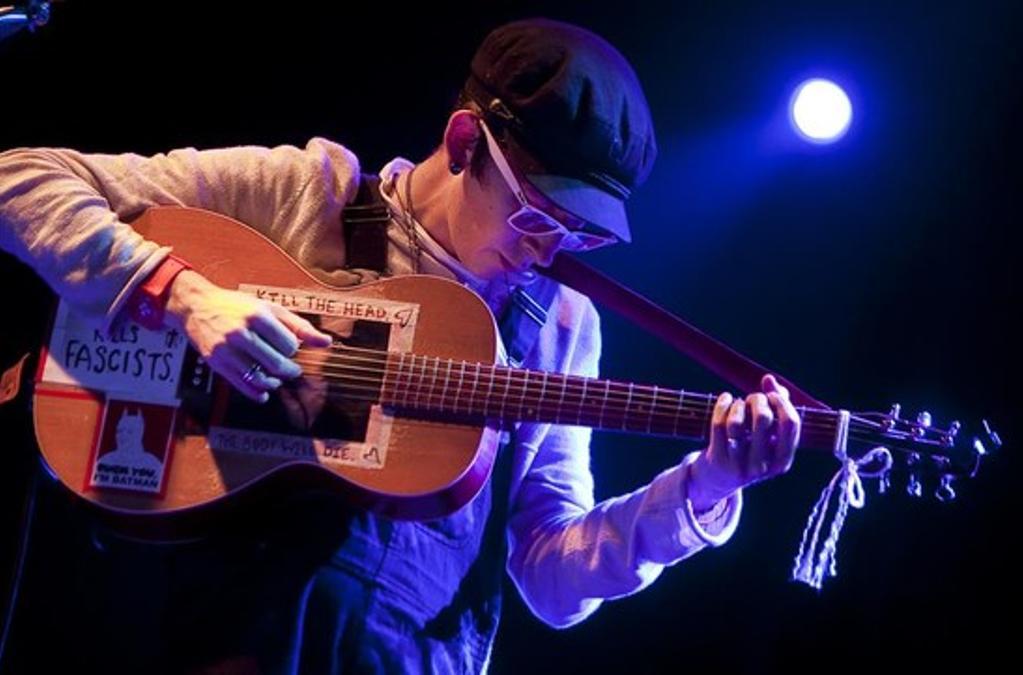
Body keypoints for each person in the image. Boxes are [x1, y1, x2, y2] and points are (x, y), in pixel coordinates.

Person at [0, 18, 802, 673]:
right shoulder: (306, 195)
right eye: (536, 215)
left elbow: (553, 576)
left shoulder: (560, 320)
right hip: (214, 638)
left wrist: (701, 490)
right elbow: (19, 177)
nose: (547, 249)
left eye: (580, 234)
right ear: (463, 143)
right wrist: (187, 296)